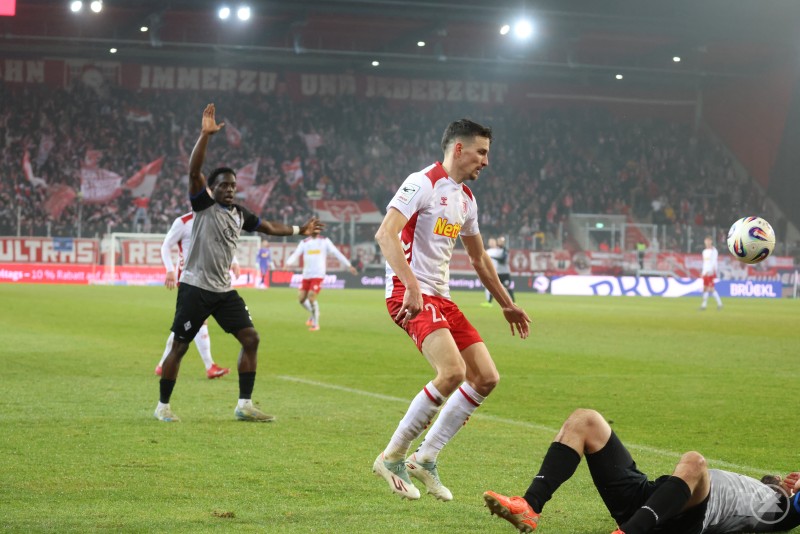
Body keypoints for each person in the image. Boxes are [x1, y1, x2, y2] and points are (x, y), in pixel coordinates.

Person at [372, 118, 531, 501]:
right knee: (453, 371)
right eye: (482, 152)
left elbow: (479, 259)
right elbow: (385, 234)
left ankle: (425, 458)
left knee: (486, 377)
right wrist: (411, 286)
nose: (486, 161)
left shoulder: (466, 199)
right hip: (408, 295)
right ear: (459, 149)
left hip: (440, 298)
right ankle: (392, 457)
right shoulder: (422, 182)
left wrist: (507, 304)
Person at [154, 103, 322, 423]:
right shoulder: (202, 206)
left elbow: (271, 228)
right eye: (224, 185)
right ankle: (163, 405)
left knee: (251, 338)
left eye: (233, 185)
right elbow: (193, 172)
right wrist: (205, 136)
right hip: (195, 288)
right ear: (212, 189)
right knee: (179, 346)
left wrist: (301, 229)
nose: (230, 189)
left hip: (223, 291)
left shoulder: (240, 213)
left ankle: (244, 405)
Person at [484, 408, 800, 533]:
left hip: (689, 519)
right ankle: (530, 505)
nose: (788, 478)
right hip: (651, 500)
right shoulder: (761, 489)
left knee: (694, 461)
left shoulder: (780, 510)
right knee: (586, 420)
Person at [153, 211, 239, 379]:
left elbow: (224, 243)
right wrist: (169, 270)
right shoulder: (183, 222)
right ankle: (209, 367)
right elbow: (166, 245)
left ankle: (163, 365)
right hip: (188, 277)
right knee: (197, 320)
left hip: (207, 277)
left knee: (188, 322)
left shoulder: (216, 220)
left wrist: (233, 261)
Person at [284, 228, 357, 331]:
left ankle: (315, 324)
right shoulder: (304, 243)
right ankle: (315, 313)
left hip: (318, 274)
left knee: (311, 298)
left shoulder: (324, 241)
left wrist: (349, 265)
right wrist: (288, 263)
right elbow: (296, 253)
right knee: (301, 299)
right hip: (306, 275)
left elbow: (336, 253)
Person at [484, 236, 514, 306]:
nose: (499, 242)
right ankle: (489, 302)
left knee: (507, 286)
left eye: (501, 241)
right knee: (494, 287)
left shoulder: (505, 251)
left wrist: (492, 257)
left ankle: (514, 301)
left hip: (505, 273)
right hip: (497, 273)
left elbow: (502, 260)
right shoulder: (496, 250)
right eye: (499, 241)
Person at [700, 236, 722, 311]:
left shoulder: (714, 251)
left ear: (711, 241)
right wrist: (703, 272)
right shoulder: (704, 251)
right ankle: (704, 305)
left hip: (711, 272)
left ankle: (720, 304)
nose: (707, 242)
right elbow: (704, 263)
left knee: (711, 288)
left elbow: (714, 262)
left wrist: (711, 270)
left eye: (708, 241)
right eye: (706, 241)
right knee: (705, 288)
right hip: (705, 272)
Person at [482, 237, 498, 307]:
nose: (491, 243)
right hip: (489, 271)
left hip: (498, 271)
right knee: (488, 286)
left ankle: (511, 301)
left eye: (492, 242)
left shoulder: (498, 251)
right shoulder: (487, 251)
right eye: (490, 242)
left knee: (501, 286)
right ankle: (489, 301)